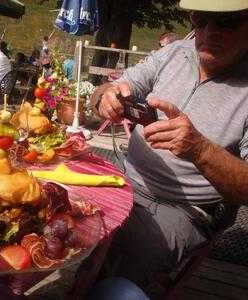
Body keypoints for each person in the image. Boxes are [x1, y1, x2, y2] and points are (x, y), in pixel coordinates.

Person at [93, 0, 248, 297]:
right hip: (123, 184)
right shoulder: (174, 53)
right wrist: (105, 97)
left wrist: (200, 150)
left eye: (227, 21)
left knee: (118, 285)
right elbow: (103, 92)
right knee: (52, 219)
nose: (210, 31)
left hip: (181, 210)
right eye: (200, 18)